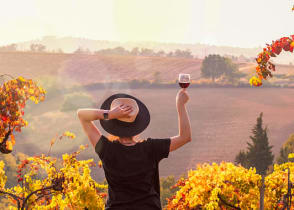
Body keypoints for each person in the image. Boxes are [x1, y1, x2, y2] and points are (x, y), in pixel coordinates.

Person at [77, 89, 191, 210]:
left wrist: (109, 114)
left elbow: (82, 115)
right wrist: (180, 105)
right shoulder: (151, 148)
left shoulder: (106, 149)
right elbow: (185, 137)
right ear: (138, 123)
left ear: (113, 124)